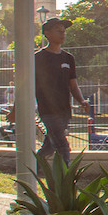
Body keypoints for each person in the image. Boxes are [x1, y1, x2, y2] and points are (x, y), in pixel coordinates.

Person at [35, 18, 90, 163]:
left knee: (49, 147)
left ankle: (33, 167)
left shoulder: (68, 58)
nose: (62, 33)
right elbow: (26, 84)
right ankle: (65, 182)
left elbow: (73, 84)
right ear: (47, 33)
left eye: (64, 31)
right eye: (58, 30)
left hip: (64, 111)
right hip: (47, 111)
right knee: (63, 147)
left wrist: (82, 101)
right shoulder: (37, 58)